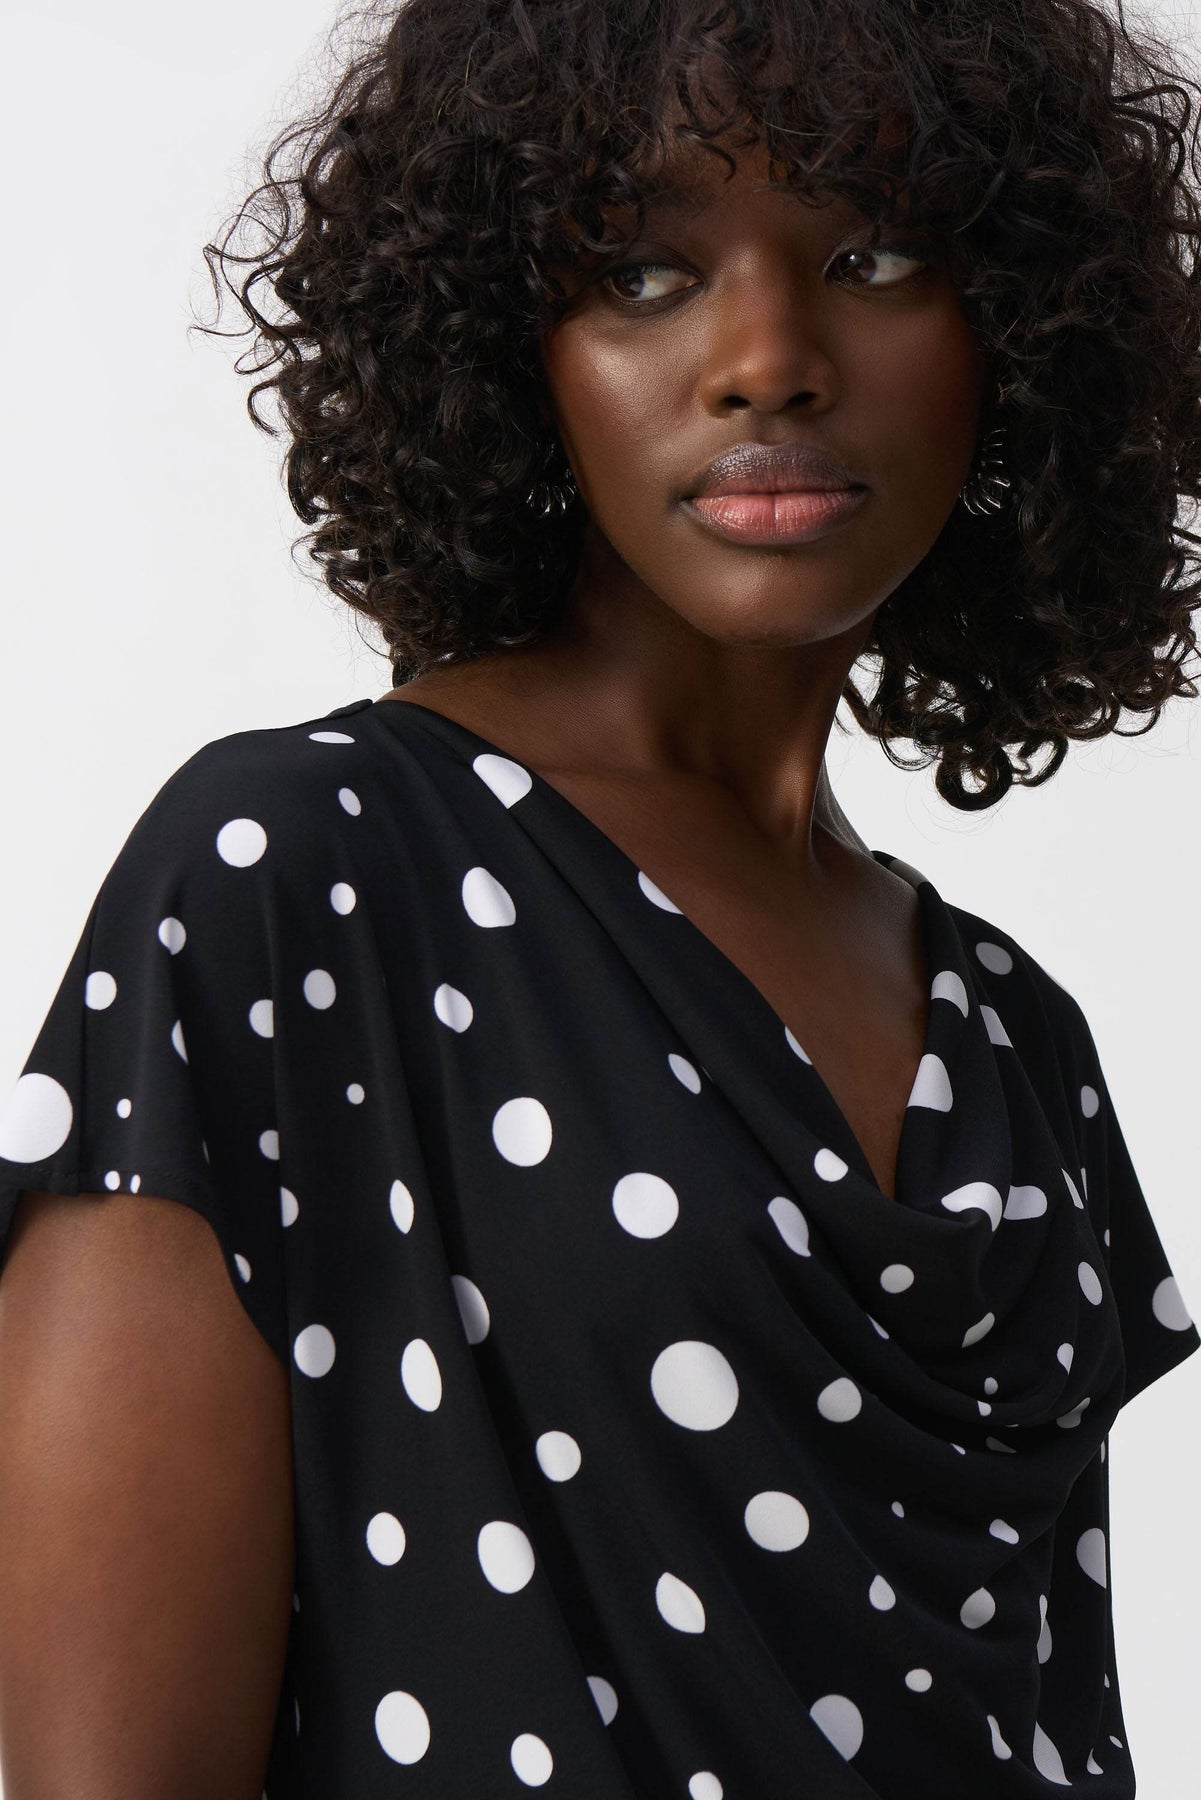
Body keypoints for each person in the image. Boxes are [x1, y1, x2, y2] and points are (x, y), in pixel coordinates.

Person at [1, 1, 1199, 1795]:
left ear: (1021, 327)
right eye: (641, 273)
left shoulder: (1015, 1034)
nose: (767, 362)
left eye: (873, 256)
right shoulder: (297, 875)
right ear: (505, 347)